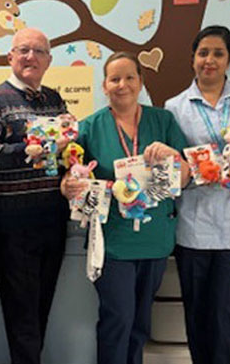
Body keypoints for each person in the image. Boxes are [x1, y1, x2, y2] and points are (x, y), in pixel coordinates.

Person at [62, 52, 189, 364]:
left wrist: (173, 157)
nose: (122, 84)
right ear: (104, 86)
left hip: (155, 239)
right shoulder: (89, 128)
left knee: (140, 322)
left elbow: (185, 178)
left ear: (141, 82)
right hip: (112, 242)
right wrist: (68, 186)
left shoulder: (163, 121)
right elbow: (72, 175)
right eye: (114, 79)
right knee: (118, 317)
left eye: (130, 77)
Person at [0, 27, 69, 364]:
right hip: (14, 223)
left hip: (53, 217)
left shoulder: (55, 100)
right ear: (10, 57)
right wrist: (29, 150)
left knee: (42, 308)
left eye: (39, 51)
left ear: (48, 60)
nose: (30, 57)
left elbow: (63, 152)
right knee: (21, 314)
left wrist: (73, 161)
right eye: (23, 50)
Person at [163, 25, 230, 364]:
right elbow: (174, 162)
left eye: (218, 53)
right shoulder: (174, 106)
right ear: (193, 58)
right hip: (193, 223)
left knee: (227, 309)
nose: (210, 60)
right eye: (203, 53)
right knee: (197, 309)